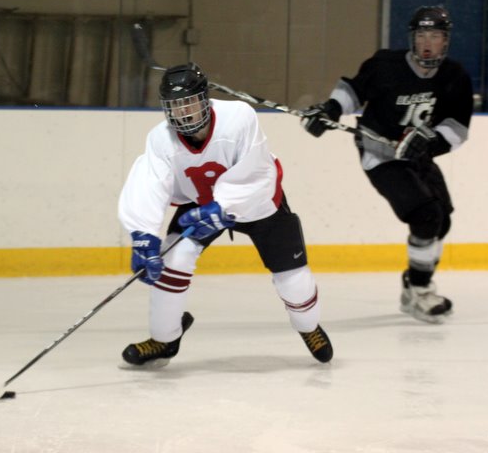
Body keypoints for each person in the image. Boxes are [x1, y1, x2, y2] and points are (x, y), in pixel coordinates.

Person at [118, 62, 333, 367]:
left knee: (293, 279)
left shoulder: (239, 118)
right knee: (172, 260)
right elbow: (148, 182)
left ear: (204, 100)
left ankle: (308, 327)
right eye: (175, 106)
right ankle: (164, 339)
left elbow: (257, 171)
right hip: (199, 205)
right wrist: (142, 233)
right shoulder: (159, 139)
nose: (183, 113)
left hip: (257, 203)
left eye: (189, 103)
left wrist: (223, 207)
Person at [300, 6, 473, 324]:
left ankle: (413, 284)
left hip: (417, 157)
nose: (427, 43)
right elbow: (354, 91)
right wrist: (330, 110)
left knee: (442, 221)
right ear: (412, 38)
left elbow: (457, 128)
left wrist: (430, 144)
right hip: (380, 155)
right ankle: (419, 290)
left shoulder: (455, 77)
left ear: (445, 41)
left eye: (435, 36)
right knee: (426, 216)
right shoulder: (386, 65)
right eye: (422, 35)